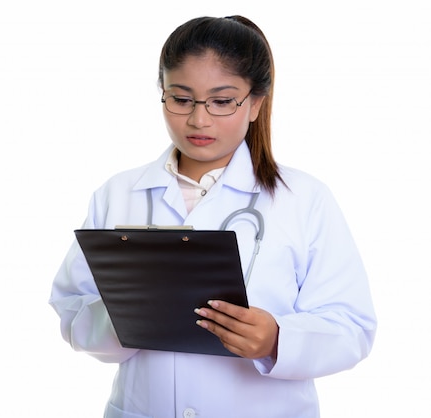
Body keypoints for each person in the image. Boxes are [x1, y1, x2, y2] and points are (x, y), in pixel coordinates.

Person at [49, 15, 377, 418]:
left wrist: (277, 340)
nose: (198, 120)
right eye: (181, 98)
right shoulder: (118, 194)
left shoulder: (304, 199)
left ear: (255, 103)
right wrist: (123, 317)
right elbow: (70, 307)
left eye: (222, 101)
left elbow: (352, 328)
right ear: (163, 93)